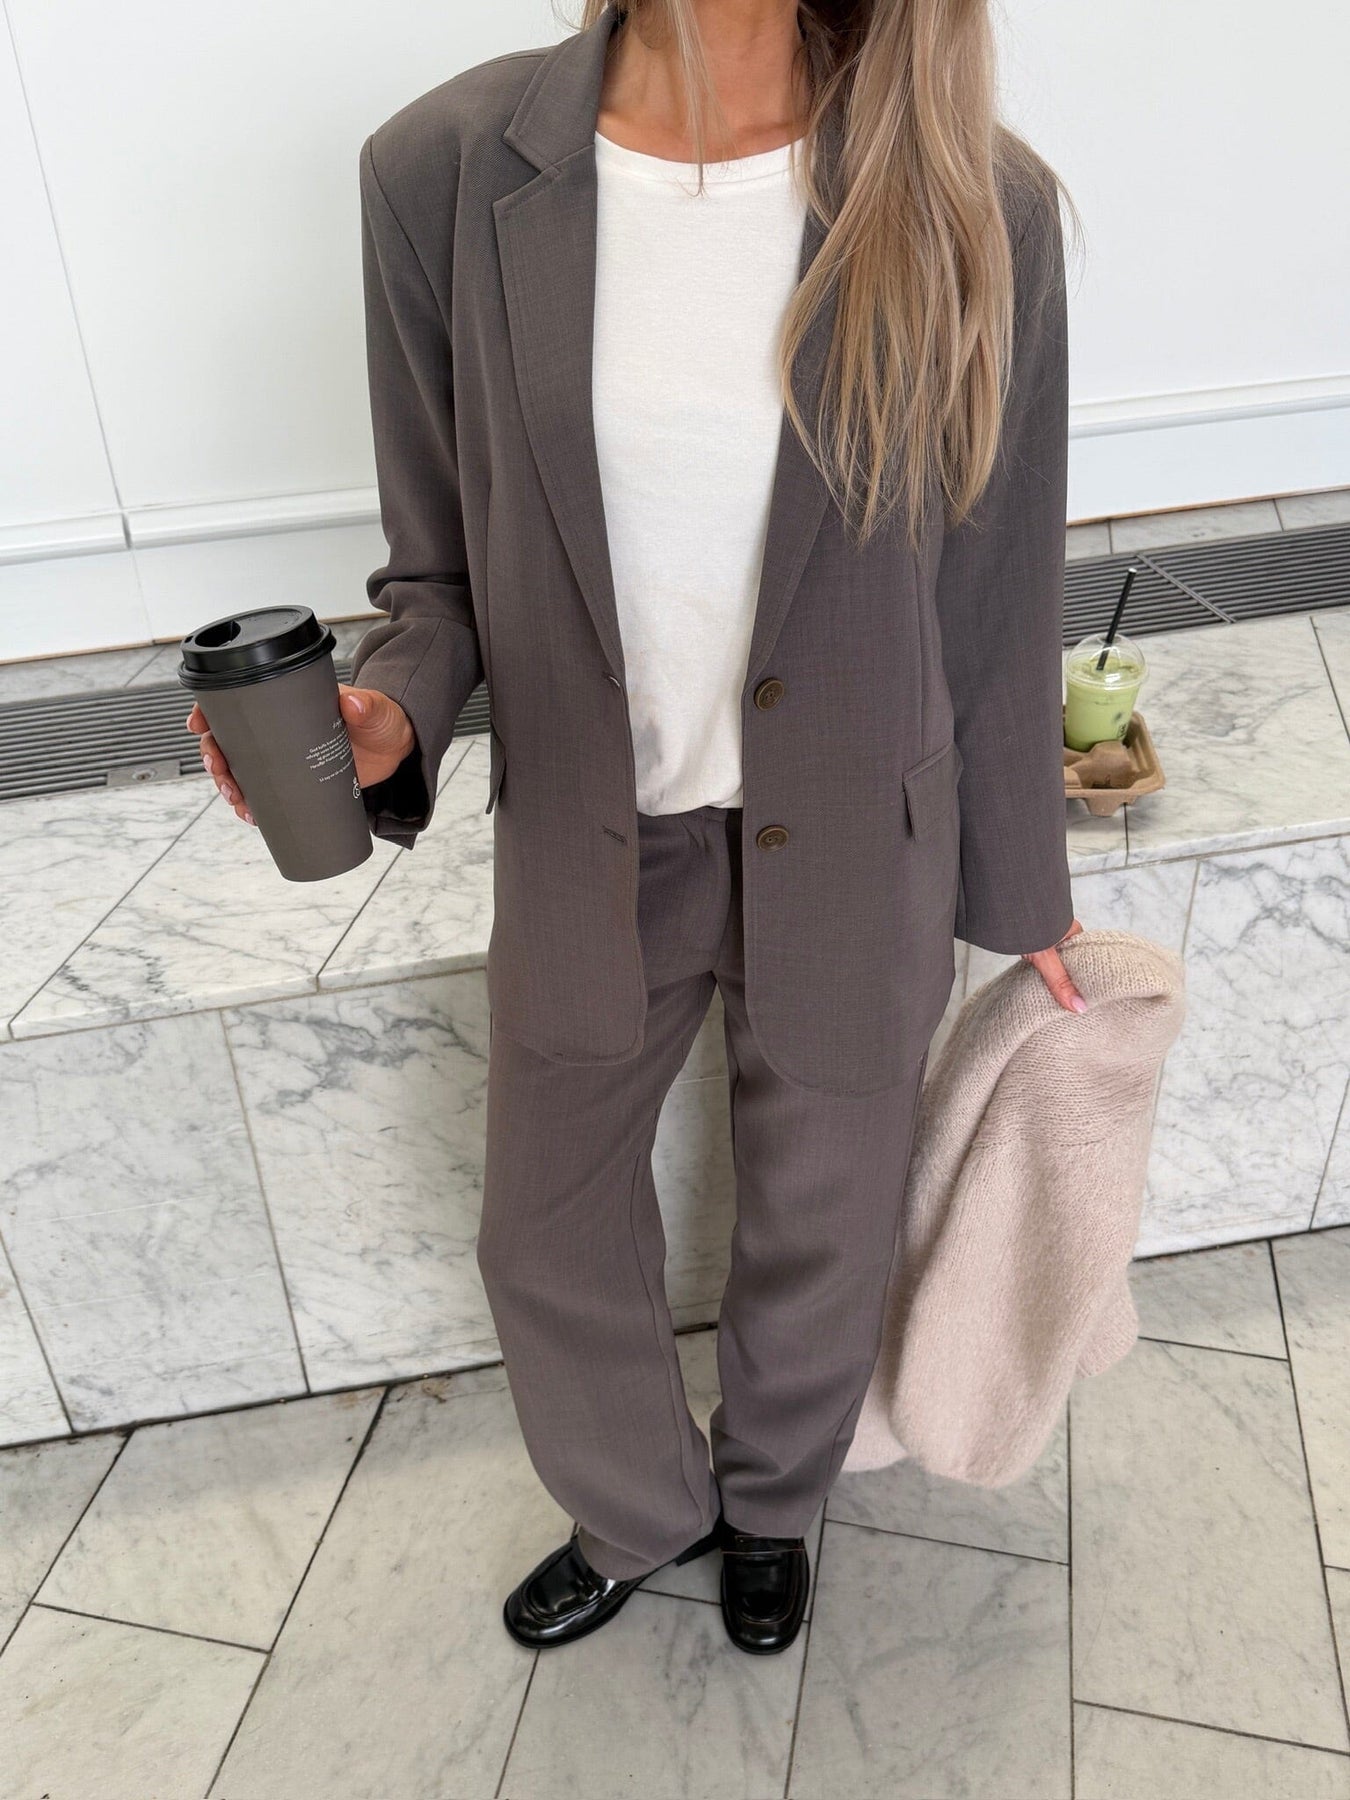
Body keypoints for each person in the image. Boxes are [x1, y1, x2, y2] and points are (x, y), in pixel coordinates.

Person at [189, 0, 1086, 1657]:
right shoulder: (443, 170)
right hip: (595, 828)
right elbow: (435, 568)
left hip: (861, 827)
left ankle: (774, 1503)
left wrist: (1021, 888)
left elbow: (994, 583)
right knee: (542, 1229)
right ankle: (636, 1508)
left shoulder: (968, 191)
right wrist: (389, 713)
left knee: (824, 1215)